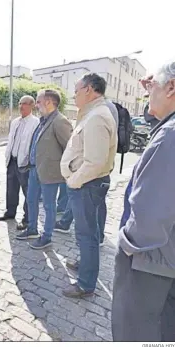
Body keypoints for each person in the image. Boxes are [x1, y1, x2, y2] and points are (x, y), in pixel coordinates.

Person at [112, 61, 175, 342]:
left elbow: (151, 213)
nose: (148, 93)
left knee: (136, 333)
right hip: (164, 255)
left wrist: (128, 245)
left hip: (150, 259)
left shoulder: (170, 137)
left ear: (171, 88)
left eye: (154, 88)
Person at [60, 73, 117, 298]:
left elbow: (95, 162)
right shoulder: (92, 114)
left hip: (87, 184)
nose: (74, 95)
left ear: (90, 89)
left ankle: (85, 284)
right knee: (86, 233)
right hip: (85, 184)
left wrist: (73, 181)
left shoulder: (97, 117)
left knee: (87, 235)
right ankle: (85, 264)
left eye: (76, 90)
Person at [16, 89, 72, 250]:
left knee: (48, 206)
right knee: (31, 200)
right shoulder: (43, 120)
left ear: (48, 102)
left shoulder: (60, 121)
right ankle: (32, 229)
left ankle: (46, 237)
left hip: (50, 172)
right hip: (34, 170)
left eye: (38, 102)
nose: (36, 105)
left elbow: (69, 148)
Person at [0, 95, 39, 230]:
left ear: (32, 106)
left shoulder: (35, 122)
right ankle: (10, 212)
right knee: (11, 189)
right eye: (20, 103)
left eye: (25, 103)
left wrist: (30, 161)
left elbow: (34, 144)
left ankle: (27, 219)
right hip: (12, 161)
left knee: (28, 192)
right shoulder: (15, 122)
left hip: (25, 163)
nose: (21, 106)